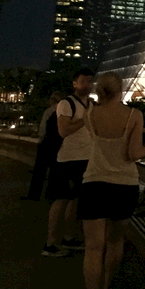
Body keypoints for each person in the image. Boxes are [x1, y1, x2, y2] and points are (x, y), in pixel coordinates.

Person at [79, 72, 145, 289]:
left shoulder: (89, 114)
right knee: (115, 244)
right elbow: (133, 154)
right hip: (123, 186)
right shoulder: (134, 115)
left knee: (93, 249)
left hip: (93, 184)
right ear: (121, 89)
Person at [44, 69, 95, 256]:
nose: (87, 85)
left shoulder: (91, 104)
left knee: (74, 200)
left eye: (90, 81)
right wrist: (85, 119)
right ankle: (50, 243)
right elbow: (63, 131)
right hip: (66, 159)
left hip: (85, 158)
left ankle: (68, 238)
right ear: (74, 83)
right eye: (83, 81)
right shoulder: (66, 104)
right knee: (61, 200)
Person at [22, 91, 65, 201]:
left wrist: (40, 138)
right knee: (54, 171)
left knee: (39, 171)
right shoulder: (64, 111)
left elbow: (43, 129)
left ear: (52, 100)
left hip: (46, 143)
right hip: (58, 144)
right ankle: (50, 195)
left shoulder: (49, 111)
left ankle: (34, 195)